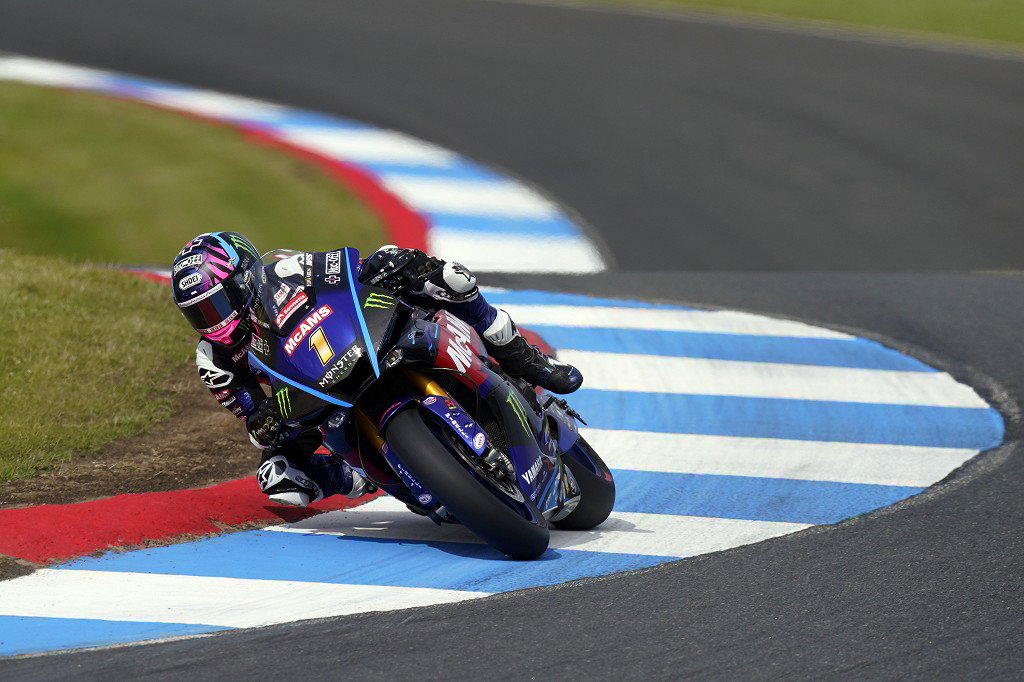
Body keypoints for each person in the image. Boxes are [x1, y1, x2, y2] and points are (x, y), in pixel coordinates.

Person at [170, 231, 583, 507]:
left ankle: (521, 356)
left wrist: (387, 268)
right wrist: (263, 423)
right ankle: (355, 474)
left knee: (446, 278)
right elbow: (251, 415)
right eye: (198, 315)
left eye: (216, 305)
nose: (212, 322)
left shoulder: (283, 271)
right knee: (277, 477)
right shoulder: (214, 358)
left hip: (361, 342)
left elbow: (346, 270)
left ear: (245, 280)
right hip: (310, 399)